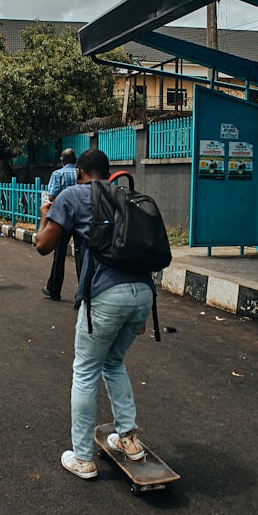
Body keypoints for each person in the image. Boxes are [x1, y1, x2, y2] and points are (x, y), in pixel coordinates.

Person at [34, 148, 155, 480]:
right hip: (143, 293)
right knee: (113, 362)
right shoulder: (125, 196)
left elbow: (43, 245)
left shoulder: (72, 195)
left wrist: (45, 215)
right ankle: (128, 439)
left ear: (79, 173)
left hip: (106, 294)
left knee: (85, 371)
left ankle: (84, 458)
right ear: (109, 172)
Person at [42, 149, 83, 301]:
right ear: (75, 159)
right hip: (80, 217)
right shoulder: (81, 172)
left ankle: (54, 289)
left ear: (62, 160)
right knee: (81, 255)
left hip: (63, 218)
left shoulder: (58, 174)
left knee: (59, 254)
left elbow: (52, 195)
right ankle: (82, 294)